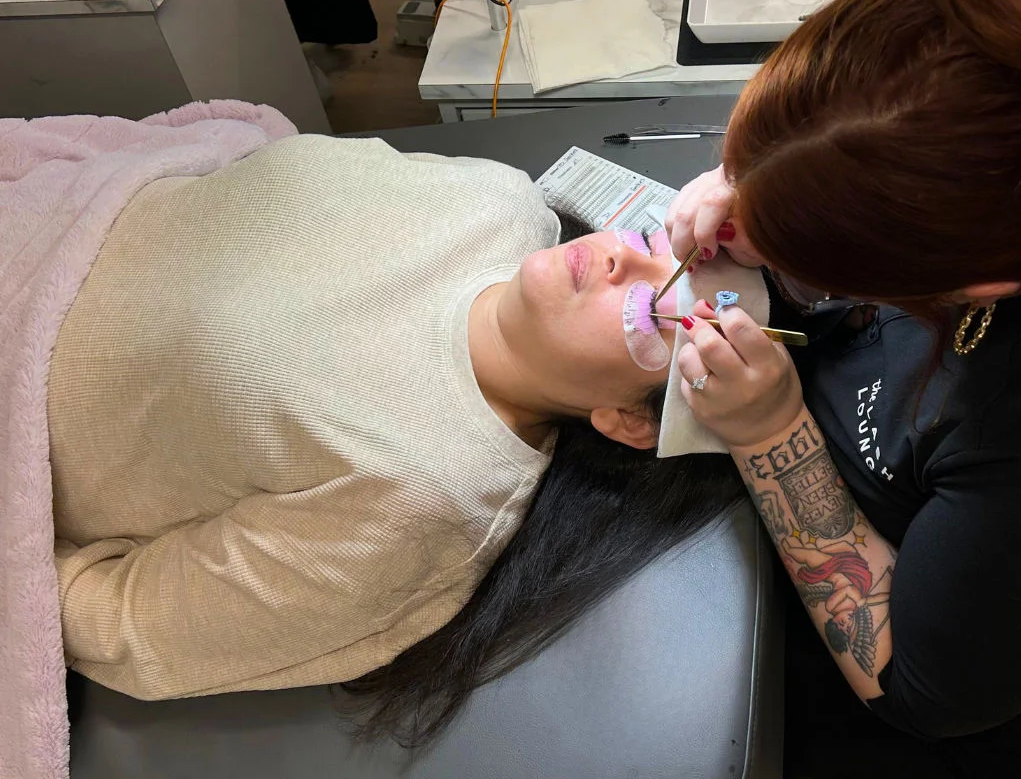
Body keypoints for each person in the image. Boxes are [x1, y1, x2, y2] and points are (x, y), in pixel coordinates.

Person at [663, 0, 1021, 776]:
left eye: (822, 270)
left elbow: (915, 688)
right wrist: (765, 182)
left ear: (976, 286)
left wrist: (770, 433)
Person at [48, 134, 744, 743]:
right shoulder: (498, 200)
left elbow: (127, 623)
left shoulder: (420, 494)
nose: (625, 260)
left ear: (625, 418)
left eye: (653, 312)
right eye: (656, 244)